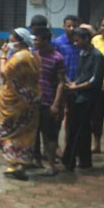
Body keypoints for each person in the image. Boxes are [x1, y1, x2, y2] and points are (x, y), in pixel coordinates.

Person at [0, 28, 41, 181]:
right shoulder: (34, 55)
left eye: (12, 40)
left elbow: (4, 73)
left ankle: (14, 163)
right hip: (30, 99)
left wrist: (3, 56)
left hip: (14, 101)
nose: (9, 43)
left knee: (7, 130)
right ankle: (21, 164)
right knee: (25, 133)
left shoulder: (19, 57)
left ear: (19, 41)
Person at [62, 28, 104, 171]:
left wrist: (77, 87)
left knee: (80, 130)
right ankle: (82, 160)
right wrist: (73, 84)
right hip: (79, 96)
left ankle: (73, 161)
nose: (75, 42)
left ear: (87, 39)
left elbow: (95, 80)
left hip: (89, 98)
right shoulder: (82, 53)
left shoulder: (97, 56)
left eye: (78, 39)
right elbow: (82, 75)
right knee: (81, 129)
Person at [32, 27, 65, 176]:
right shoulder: (33, 56)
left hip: (48, 102)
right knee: (34, 132)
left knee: (50, 134)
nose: (34, 42)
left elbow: (61, 83)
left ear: (45, 41)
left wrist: (56, 104)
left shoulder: (57, 58)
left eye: (37, 40)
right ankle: (36, 160)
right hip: (33, 101)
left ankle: (51, 164)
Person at [91, 18, 104, 153]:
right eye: (103, 25)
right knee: (97, 117)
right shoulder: (95, 40)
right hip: (98, 86)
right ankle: (97, 144)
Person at [53, 15, 80, 81]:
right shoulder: (58, 42)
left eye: (74, 26)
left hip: (78, 81)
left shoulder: (80, 42)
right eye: (69, 26)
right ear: (64, 27)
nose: (72, 28)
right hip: (62, 80)